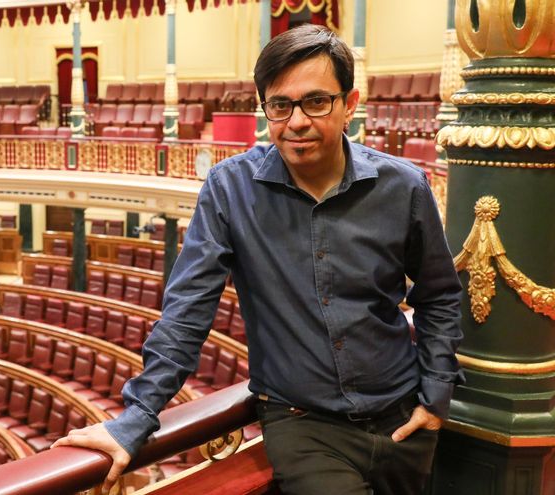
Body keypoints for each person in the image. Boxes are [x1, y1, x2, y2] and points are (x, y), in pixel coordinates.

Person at [53, 24, 463, 495]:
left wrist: (435, 394)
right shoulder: (230, 189)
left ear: (349, 105)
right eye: (279, 105)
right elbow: (187, 311)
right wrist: (138, 416)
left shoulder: (404, 186)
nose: (296, 121)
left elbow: (440, 295)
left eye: (315, 101)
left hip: (404, 417)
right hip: (304, 425)